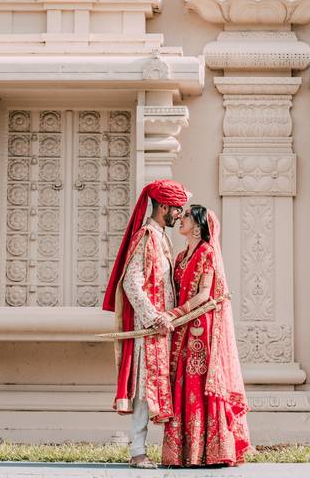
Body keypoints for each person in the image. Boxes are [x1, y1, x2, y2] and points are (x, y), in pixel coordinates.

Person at [102, 179, 190, 470]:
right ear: (163, 206)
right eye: (177, 209)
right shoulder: (145, 236)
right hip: (148, 329)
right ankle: (138, 451)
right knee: (143, 392)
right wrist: (153, 317)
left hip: (162, 328)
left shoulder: (161, 236)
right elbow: (132, 282)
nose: (180, 214)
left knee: (155, 389)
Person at [161, 204, 251, 467]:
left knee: (198, 383)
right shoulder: (180, 257)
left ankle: (212, 452)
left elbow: (204, 294)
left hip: (201, 327)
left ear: (199, 226)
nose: (180, 218)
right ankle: (185, 453)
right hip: (182, 329)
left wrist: (176, 312)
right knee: (183, 383)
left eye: (186, 215)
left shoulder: (207, 253)